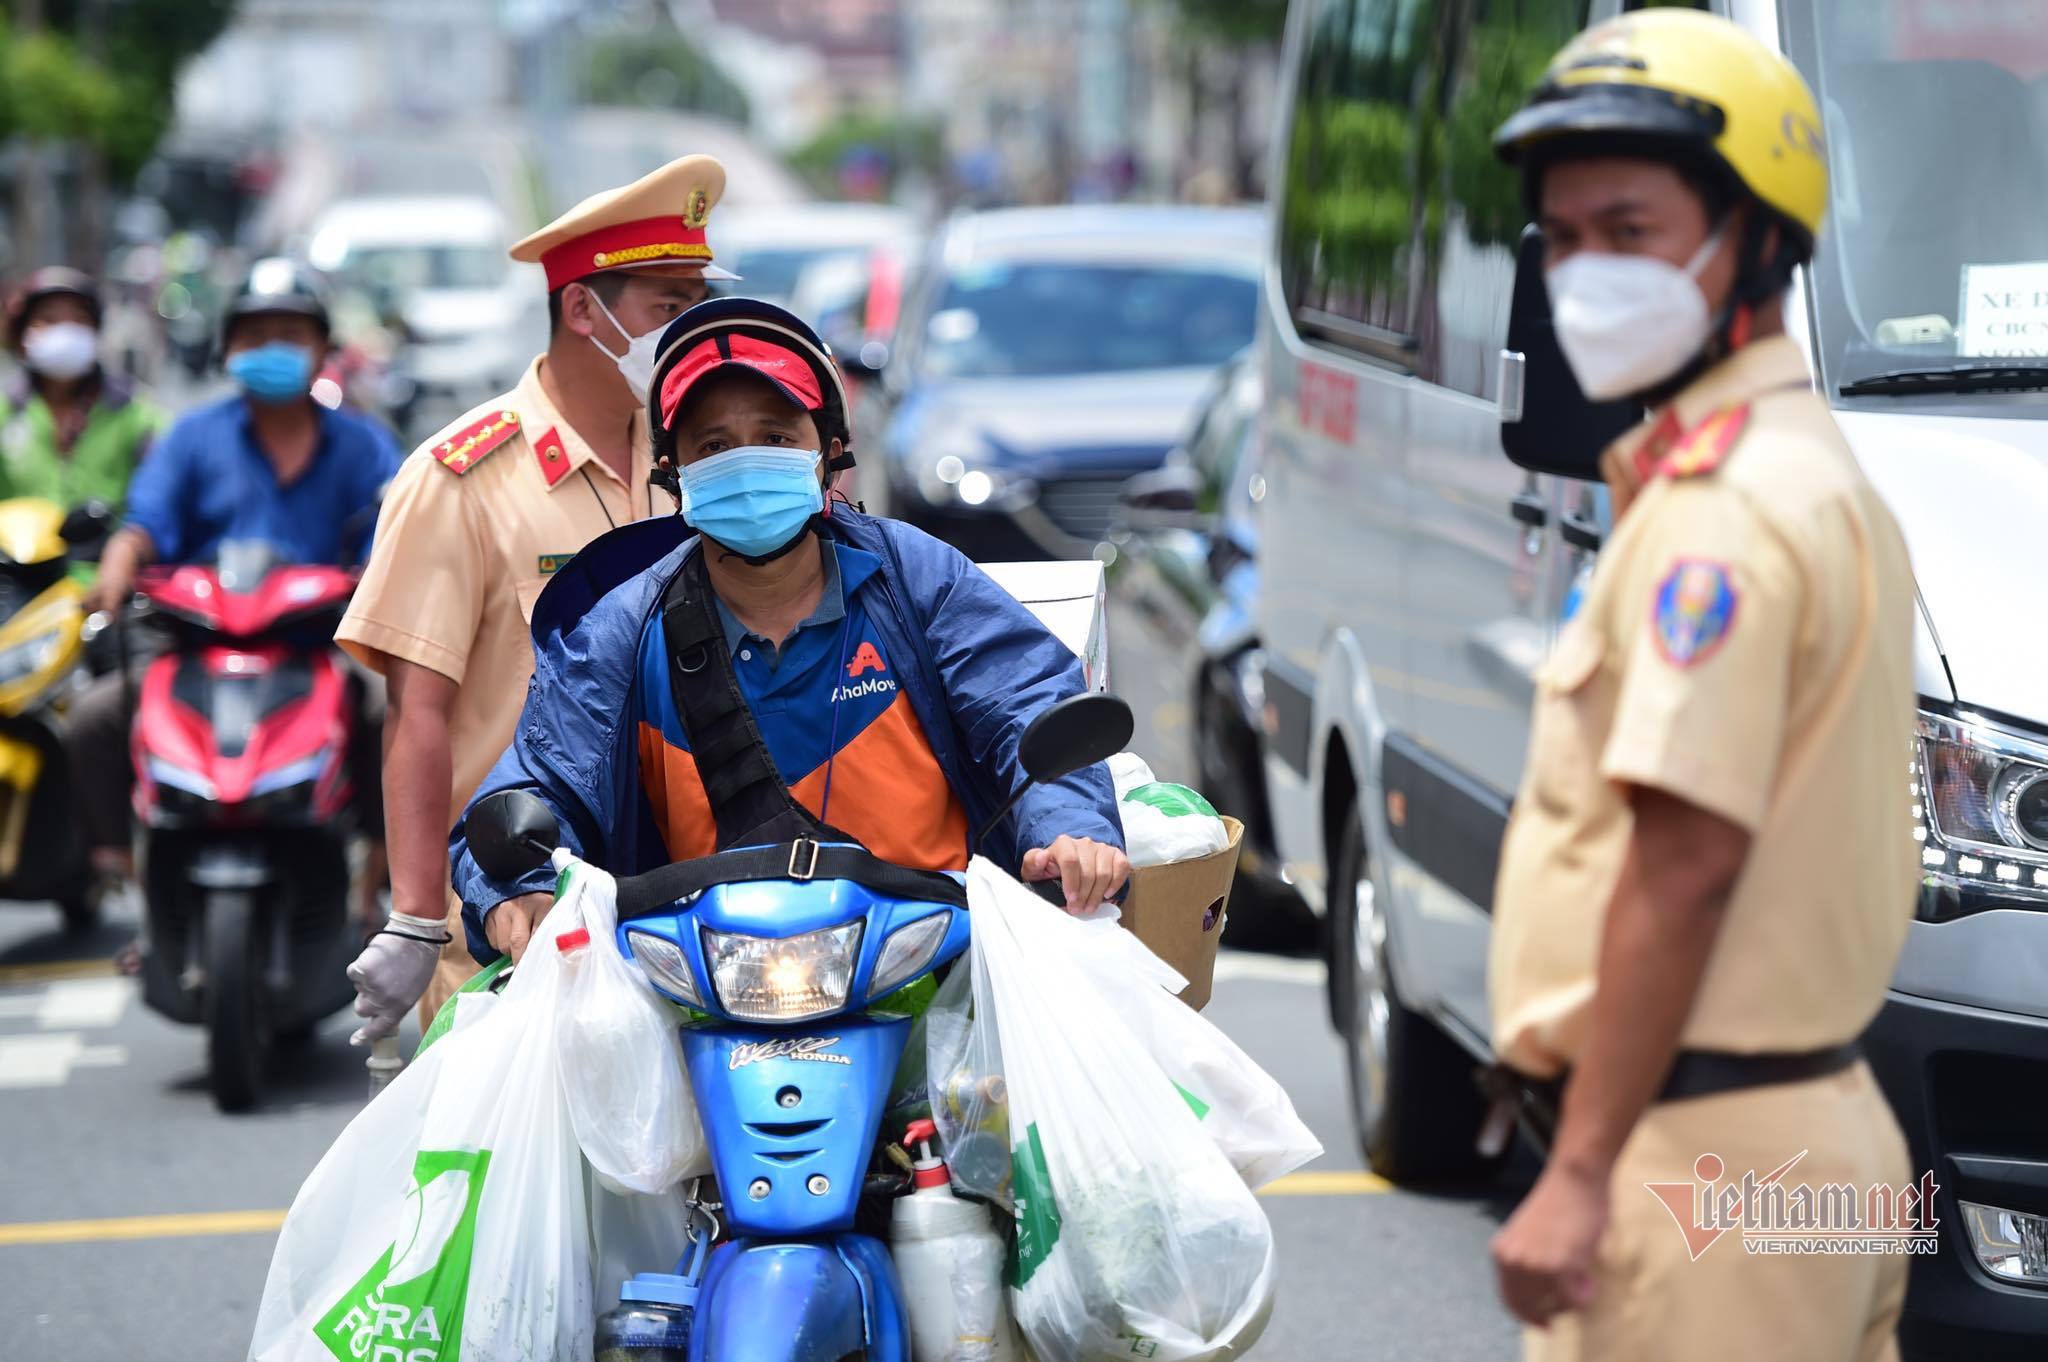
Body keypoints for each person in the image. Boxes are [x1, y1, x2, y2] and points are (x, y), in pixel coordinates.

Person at [1483, 12, 1917, 1361]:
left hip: (1701, 1164)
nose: (1586, 274)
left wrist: (1582, 1165)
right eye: (1563, 239)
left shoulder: (1724, 509)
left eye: (1632, 230)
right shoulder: (1796, 468)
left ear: (1761, 240)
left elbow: (1683, 863)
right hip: (1801, 1137)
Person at [446, 297, 1129, 964]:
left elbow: (1029, 703)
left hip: (939, 972)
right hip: (697, 992)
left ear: (828, 453)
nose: (745, 463)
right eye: (714, 445)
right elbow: (536, 784)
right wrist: (515, 889)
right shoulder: (623, 627)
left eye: (775, 438)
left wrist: (1069, 827)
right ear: (673, 473)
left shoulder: (916, 579)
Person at [337, 156, 739, 1042]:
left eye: (698, 305)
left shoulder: (709, 461)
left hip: (700, 909)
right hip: (514, 916)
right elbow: (418, 714)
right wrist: (414, 917)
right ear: (583, 310)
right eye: (667, 309)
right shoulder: (463, 479)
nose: (691, 331)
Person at [75, 258, 402, 906]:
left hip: (325, 645)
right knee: (92, 717)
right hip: (200, 645)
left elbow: (395, 533)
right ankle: (125, 872)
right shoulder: (193, 436)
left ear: (321, 349)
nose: (272, 349)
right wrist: (115, 568)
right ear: (228, 347)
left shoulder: (364, 444)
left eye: (291, 333)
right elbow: (145, 523)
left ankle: (376, 881)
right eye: (256, 335)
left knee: (392, 713)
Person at [0, 267, 166, 513]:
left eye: (78, 320)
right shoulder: (6, 411)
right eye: (49, 320)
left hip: (110, 550)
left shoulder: (136, 415)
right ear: (24, 336)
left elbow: (165, 493)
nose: (65, 332)